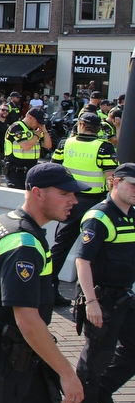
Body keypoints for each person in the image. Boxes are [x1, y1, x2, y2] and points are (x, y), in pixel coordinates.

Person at [0, 162, 88, 403]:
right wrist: (67, 372)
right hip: (7, 360)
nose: (74, 200)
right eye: (65, 194)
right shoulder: (23, 244)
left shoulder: (6, 221)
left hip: (24, 354)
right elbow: (27, 320)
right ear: (38, 193)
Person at [70, 162, 135, 403]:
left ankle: (101, 392)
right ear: (115, 183)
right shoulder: (99, 217)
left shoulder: (131, 213)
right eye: (132, 185)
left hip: (124, 297)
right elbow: (82, 262)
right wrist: (92, 303)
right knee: (97, 356)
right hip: (102, 298)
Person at [49, 112, 118, 304]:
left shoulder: (66, 143)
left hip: (69, 201)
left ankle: (47, 290)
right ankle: (90, 296)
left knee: (60, 248)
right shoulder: (104, 147)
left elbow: (53, 170)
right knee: (94, 251)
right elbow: (111, 178)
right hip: (94, 204)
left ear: (80, 125)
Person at [3, 108, 52, 190]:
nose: (39, 124)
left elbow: (48, 145)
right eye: (38, 121)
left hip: (31, 170)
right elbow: (26, 146)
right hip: (16, 171)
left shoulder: (35, 130)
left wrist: (44, 131)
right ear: (30, 117)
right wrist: (36, 135)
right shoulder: (17, 127)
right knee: (16, 197)